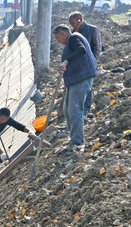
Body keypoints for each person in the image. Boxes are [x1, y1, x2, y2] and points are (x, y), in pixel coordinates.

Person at [54, 24, 97, 152]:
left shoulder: (73, 38)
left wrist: (65, 61)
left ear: (62, 33)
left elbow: (81, 50)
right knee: (67, 110)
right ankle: (73, 138)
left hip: (81, 78)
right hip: (75, 80)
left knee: (74, 110)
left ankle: (78, 142)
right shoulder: (72, 40)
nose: (58, 41)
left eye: (57, 38)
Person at [68, 12, 102, 115]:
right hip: (78, 65)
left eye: (73, 23)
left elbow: (97, 47)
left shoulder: (92, 30)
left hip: (89, 64)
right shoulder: (74, 32)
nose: (72, 26)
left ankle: (86, 109)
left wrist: (92, 61)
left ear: (80, 19)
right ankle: (78, 108)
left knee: (88, 88)